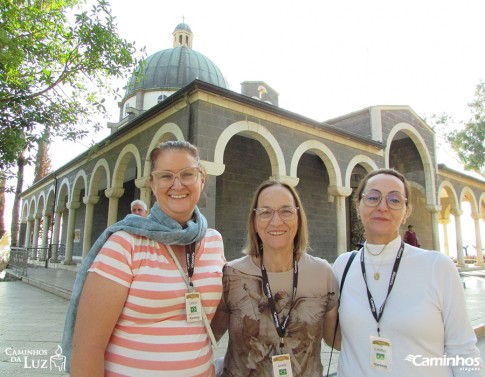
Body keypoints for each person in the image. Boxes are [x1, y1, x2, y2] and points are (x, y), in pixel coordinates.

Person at [63, 140, 226, 376]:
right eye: (166, 176)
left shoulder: (213, 241)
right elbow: (88, 347)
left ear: (202, 179)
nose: (177, 184)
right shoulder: (125, 244)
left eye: (187, 174)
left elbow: (216, 317)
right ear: (152, 182)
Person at [332, 168, 482, 376]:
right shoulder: (343, 266)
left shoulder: (437, 267)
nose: (382, 207)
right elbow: (338, 338)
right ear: (358, 206)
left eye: (394, 200)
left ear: (406, 211)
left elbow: (463, 350)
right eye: (373, 197)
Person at [211, 179, 339, 377]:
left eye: (286, 211)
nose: (276, 221)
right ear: (254, 221)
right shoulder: (232, 275)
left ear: (299, 218)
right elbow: (208, 338)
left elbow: (336, 339)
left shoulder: (322, 273)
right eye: (265, 212)